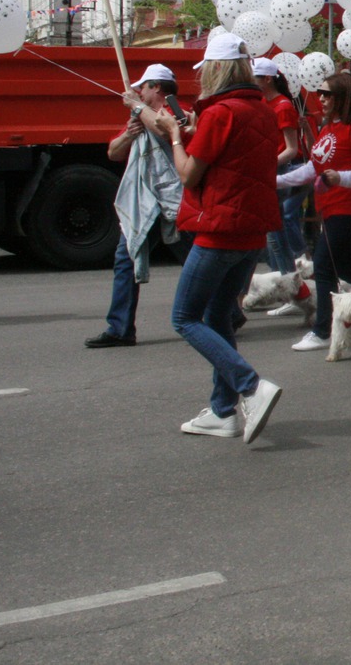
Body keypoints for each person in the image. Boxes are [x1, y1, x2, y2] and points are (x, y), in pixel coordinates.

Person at [156, 33, 283, 443]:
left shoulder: (219, 111)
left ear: (215, 69)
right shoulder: (261, 109)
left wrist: (174, 136)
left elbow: (190, 174)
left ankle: (249, 386)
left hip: (221, 227)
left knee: (184, 317)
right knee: (216, 316)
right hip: (251, 229)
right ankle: (223, 410)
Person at [276, 73, 351, 352]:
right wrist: (276, 180)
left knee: (324, 267)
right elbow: (312, 169)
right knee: (348, 268)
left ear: (342, 97)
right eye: (320, 93)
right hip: (331, 208)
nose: (322, 99)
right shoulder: (328, 129)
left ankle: (323, 330)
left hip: (350, 210)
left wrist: (340, 178)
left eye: (327, 94)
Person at [87, 64, 188, 349]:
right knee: (125, 258)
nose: (138, 92)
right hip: (146, 202)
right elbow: (113, 152)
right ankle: (120, 329)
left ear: (157, 87)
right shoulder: (139, 116)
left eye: (142, 87)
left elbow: (164, 127)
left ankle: (228, 313)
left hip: (177, 200)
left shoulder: (179, 110)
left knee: (194, 260)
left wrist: (134, 105)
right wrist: (129, 134)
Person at [254, 57, 304, 275]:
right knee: (271, 231)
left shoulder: (283, 106)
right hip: (267, 172)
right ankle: (283, 278)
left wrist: (267, 164)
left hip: (279, 172)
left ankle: (288, 279)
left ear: (267, 79)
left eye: (254, 77)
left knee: (275, 230)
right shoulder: (264, 104)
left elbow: (291, 149)